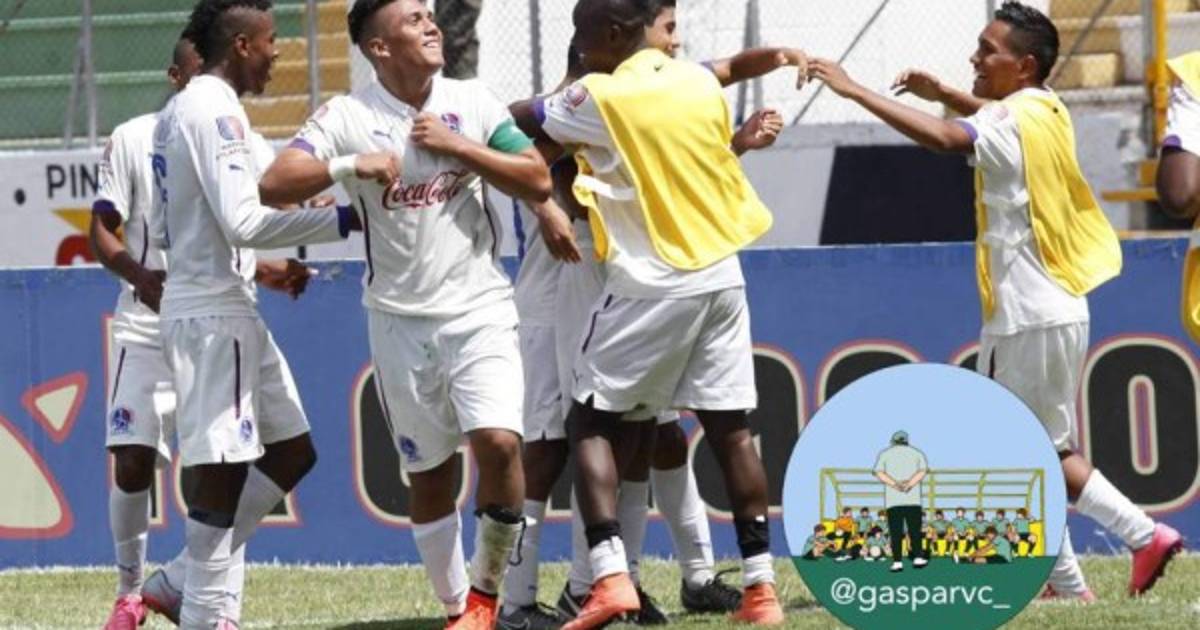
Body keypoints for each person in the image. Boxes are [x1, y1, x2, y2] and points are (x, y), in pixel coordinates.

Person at [810, 0, 1182, 599]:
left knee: (1017, 449)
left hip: (1026, 314)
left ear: (1024, 65)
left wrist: (852, 89)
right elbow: (992, 118)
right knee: (1035, 449)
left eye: (987, 51)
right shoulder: (1046, 107)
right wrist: (947, 92)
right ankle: (1071, 577)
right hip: (1052, 306)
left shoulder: (1010, 119)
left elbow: (944, 138)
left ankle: (1138, 537)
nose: (974, 58)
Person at [258, 1, 552, 627]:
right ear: (378, 47)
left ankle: (485, 598)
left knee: (501, 444)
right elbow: (274, 182)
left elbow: (536, 176)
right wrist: (347, 165)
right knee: (430, 473)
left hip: (479, 307)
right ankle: (456, 607)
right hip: (398, 320)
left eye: (429, 14)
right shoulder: (348, 115)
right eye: (413, 19)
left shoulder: (472, 101)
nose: (430, 24)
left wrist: (458, 146)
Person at [510, 0, 787, 625]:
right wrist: (545, 204)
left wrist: (453, 136)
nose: (676, 40)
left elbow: (515, 121)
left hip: (645, 277)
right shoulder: (691, 85)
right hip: (710, 274)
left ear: (610, 35)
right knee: (716, 430)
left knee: (598, 426)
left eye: (584, 35)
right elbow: (546, 165)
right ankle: (758, 588)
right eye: (670, 28)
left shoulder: (603, 96)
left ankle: (608, 579)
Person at [150, 1, 362, 625]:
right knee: (221, 470)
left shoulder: (192, 109)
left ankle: (179, 581)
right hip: (213, 314)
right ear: (242, 44)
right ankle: (204, 613)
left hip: (224, 305)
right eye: (271, 40)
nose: (278, 52)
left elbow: (229, 200)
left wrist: (307, 197)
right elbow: (242, 221)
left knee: (293, 449)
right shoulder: (211, 108)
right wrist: (345, 216)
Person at [872, 431, 929, 572]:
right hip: (913, 500)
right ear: (907, 441)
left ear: (893, 441)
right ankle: (918, 558)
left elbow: (879, 472)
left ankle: (897, 561)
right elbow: (922, 471)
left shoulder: (885, 454)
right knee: (915, 531)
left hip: (893, 501)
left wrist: (895, 484)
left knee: (895, 533)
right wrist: (909, 484)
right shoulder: (917, 453)